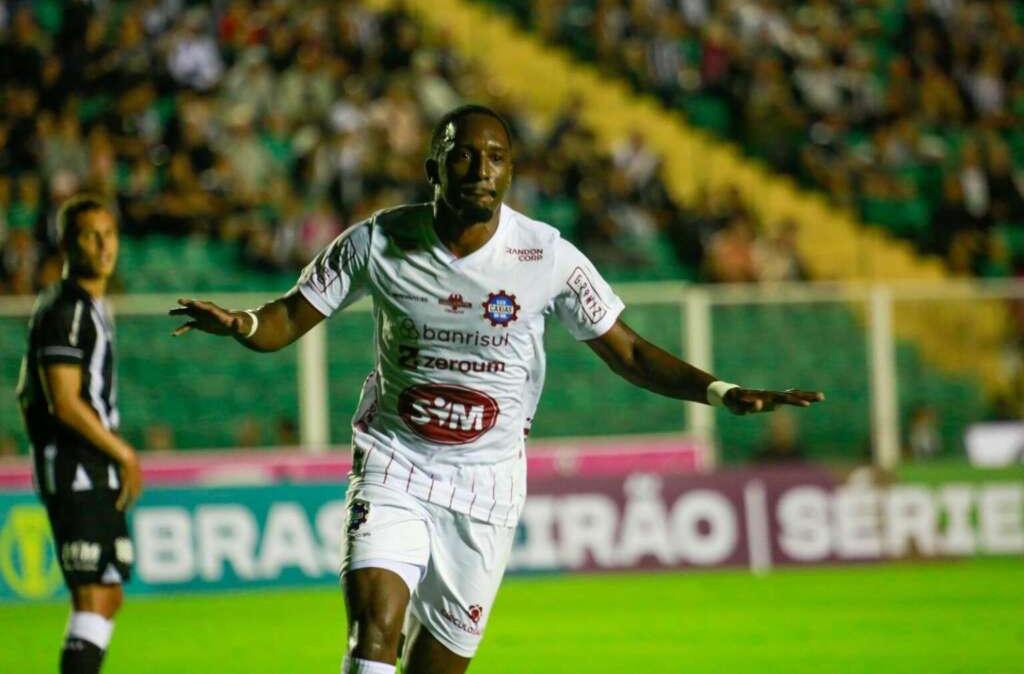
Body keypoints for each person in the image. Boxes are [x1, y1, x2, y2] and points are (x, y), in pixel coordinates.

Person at [170, 105, 824, 674]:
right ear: (435, 168)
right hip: (396, 460)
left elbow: (626, 349)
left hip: (486, 486)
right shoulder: (378, 242)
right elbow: (288, 316)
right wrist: (244, 324)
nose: (482, 169)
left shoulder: (548, 256)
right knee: (374, 630)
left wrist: (720, 390)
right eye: (465, 156)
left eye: (497, 158)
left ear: (510, 172)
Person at [17, 194, 143, 674]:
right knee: (93, 595)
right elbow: (62, 400)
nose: (102, 244)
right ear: (68, 243)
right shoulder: (67, 308)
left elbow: (26, 392)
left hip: (91, 464)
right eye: (90, 235)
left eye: (108, 234)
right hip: (78, 468)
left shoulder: (87, 306)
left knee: (107, 595)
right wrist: (123, 454)